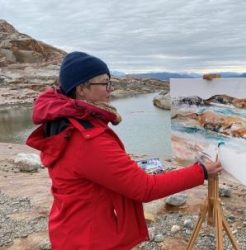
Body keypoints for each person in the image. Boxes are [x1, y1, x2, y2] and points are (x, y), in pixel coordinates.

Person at [26, 51, 222, 249]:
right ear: (81, 89)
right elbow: (145, 189)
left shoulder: (66, 123)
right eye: (104, 83)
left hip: (72, 230)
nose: (110, 90)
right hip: (91, 240)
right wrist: (201, 171)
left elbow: (93, 170)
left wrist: (125, 168)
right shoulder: (87, 139)